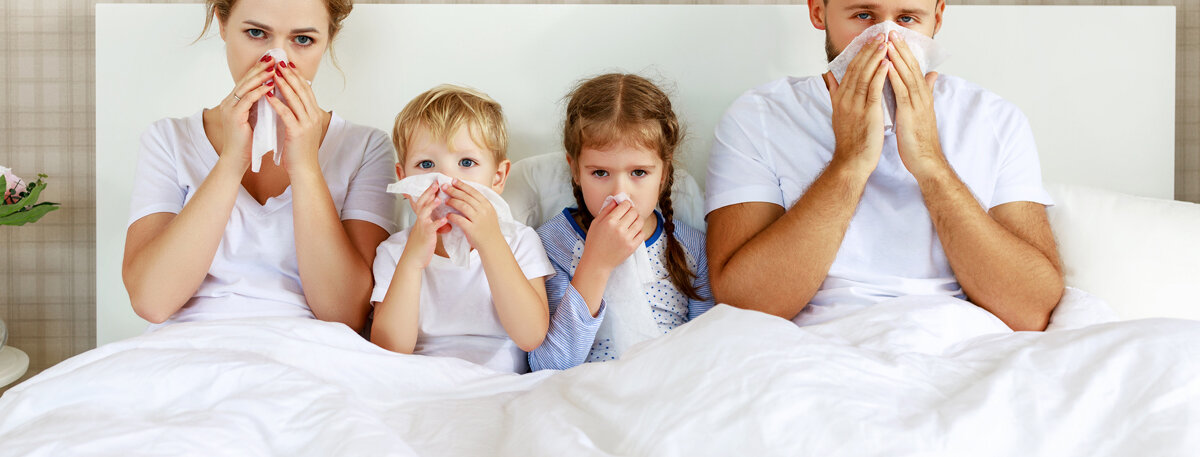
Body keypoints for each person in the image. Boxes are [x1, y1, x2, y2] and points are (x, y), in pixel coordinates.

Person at [704, 0, 1064, 331]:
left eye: (907, 19)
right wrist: (849, 162)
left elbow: (1030, 309)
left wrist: (930, 162)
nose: (886, 39)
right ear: (818, 12)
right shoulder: (759, 117)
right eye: (864, 16)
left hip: (957, 338)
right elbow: (744, 306)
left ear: (937, 18)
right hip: (815, 344)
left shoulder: (994, 120)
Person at [123, 0, 394, 332]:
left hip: (312, 351)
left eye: (303, 40)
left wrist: (306, 167)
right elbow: (152, 302)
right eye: (256, 33)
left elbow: (345, 314)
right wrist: (231, 161)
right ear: (222, 26)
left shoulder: (365, 147)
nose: (277, 60)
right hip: (187, 348)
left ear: (328, 40)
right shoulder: (168, 139)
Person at [528, 73, 714, 371]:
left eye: (639, 173)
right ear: (575, 170)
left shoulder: (692, 247)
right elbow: (548, 365)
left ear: (664, 174)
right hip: (587, 389)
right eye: (600, 173)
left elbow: (710, 347)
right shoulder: (551, 244)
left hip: (672, 385)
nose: (619, 193)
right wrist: (596, 264)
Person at [370, 85, 553, 373]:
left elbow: (531, 336)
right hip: (419, 380)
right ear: (404, 181)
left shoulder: (519, 241)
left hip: (500, 384)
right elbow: (389, 349)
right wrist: (413, 260)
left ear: (497, 178)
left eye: (466, 162)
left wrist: (491, 243)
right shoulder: (394, 251)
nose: (445, 179)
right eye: (426, 164)